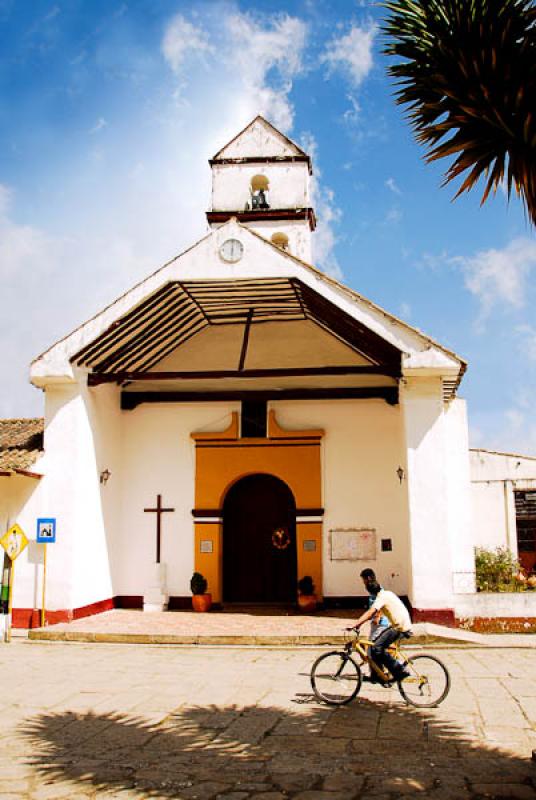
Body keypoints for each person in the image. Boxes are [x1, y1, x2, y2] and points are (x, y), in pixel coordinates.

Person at [354, 571, 412, 682]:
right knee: (375, 647)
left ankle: (399, 670)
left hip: (399, 627)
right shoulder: (387, 593)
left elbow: (371, 612)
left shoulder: (381, 597)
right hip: (399, 625)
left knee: (376, 648)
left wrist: (356, 624)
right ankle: (376, 675)